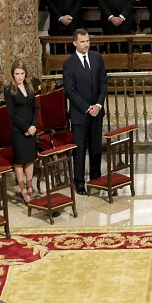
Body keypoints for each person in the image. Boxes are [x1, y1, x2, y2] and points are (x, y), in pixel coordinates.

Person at [62, 29, 107, 194]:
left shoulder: (97, 58)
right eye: (82, 41)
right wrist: (87, 108)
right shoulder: (69, 64)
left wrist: (98, 105)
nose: (86, 44)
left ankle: (95, 177)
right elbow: (70, 91)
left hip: (97, 112)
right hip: (80, 114)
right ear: (74, 43)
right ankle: (79, 181)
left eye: (87, 41)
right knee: (79, 149)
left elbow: (103, 83)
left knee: (96, 147)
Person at [4, 62, 39, 204]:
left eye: (22, 74)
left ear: (25, 74)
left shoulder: (29, 87)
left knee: (30, 159)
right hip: (19, 131)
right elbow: (11, 113)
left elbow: (36, 108)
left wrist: (34, 126)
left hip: (31, 129)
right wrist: (26, 128)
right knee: (20, 160)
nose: (19, 76)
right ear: (13, 74)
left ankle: (30, 188)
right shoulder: (9, 90)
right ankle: (23, 189)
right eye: (17, 74)